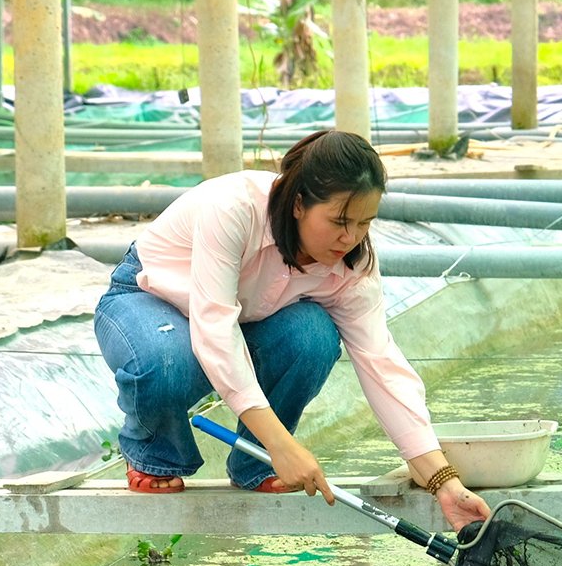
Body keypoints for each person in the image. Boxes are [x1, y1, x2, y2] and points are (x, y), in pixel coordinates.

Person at [93, 128, 490, 532]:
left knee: (313, 337)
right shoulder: (235, 208)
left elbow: (381, 364)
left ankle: (256, 459)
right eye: (338, 221)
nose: (350, 237)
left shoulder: (352, 266)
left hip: (244, 317)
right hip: (148, 298)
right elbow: (214, 328)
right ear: (299, 203)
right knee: (169, 359)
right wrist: (285, 445)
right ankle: (154, 454)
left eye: (364, 223)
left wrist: (444, 481)